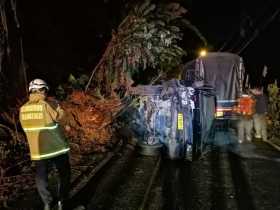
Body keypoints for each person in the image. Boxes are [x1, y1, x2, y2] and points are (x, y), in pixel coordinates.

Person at [19, 79, 71, 210]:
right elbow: (60, 118)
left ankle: (47, 202)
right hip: (56, 147)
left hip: (38, 150)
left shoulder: (22, 109)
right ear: (42, 90)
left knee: (41, 176)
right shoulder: (45, 105)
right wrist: (59, 108)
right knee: (64, 173)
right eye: (45, 91)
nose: (46, 93)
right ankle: (62, 201)